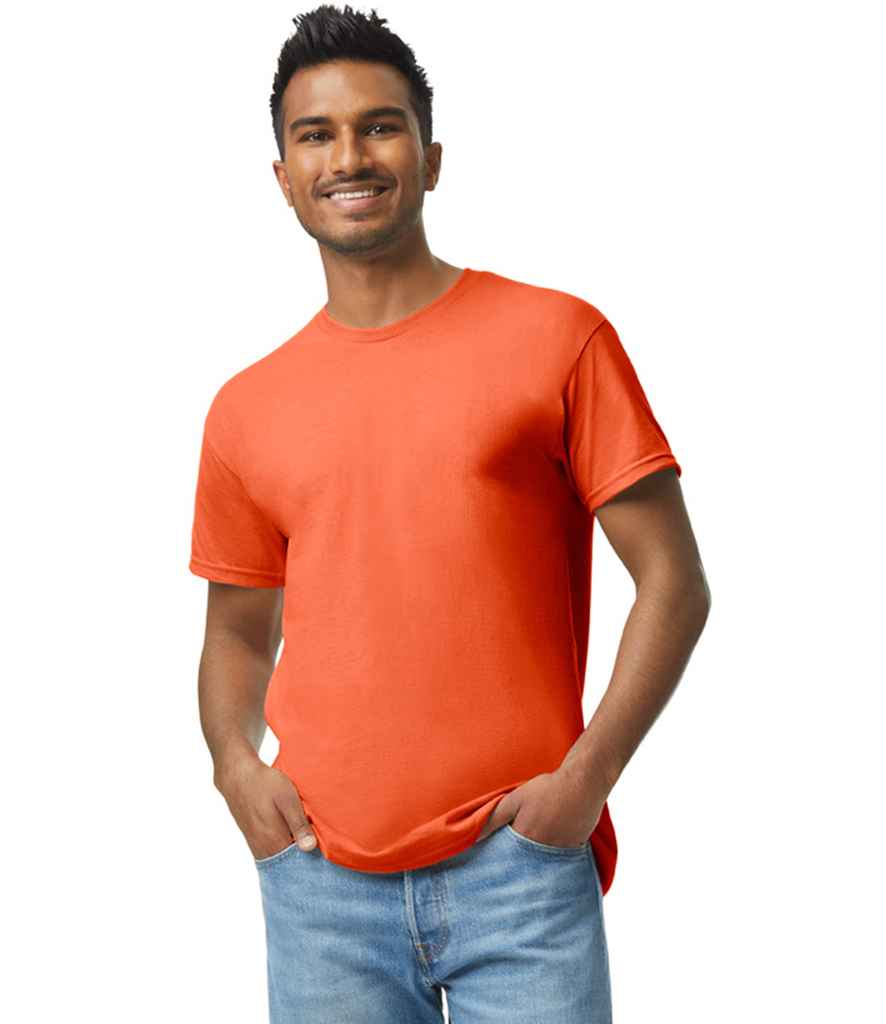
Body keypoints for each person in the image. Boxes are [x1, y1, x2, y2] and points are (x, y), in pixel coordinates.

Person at [188, 5, 711, 1021]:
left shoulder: (557, 337)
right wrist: (234, 768)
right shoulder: (245, 408)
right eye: (316, 135)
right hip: (319, 882)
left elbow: (673, 580)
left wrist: (585, 781)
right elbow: (238, 634)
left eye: (379, 126)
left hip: (520, 869)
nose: (350, 156)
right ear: (284, 176)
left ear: (430, 159)